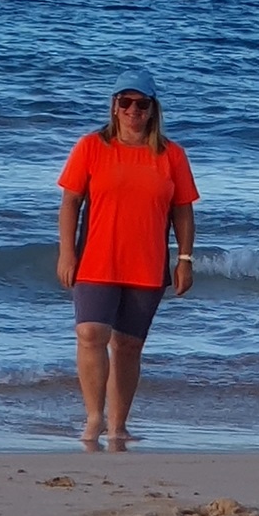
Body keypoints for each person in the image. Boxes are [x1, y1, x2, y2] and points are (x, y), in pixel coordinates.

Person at [56, 69, 199, 445]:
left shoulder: (171, 156)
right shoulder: (91, 147)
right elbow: (71, 201)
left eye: (141, 104)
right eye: (126, 103)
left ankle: (118, 426)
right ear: (115, 107)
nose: (133, 110)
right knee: (90, 333)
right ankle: (93, 419)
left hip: (146, 261)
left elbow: (183, 210)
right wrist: (67, 252)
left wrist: (185, 259)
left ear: (153, 109)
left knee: (128, 345)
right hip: (96, 258)